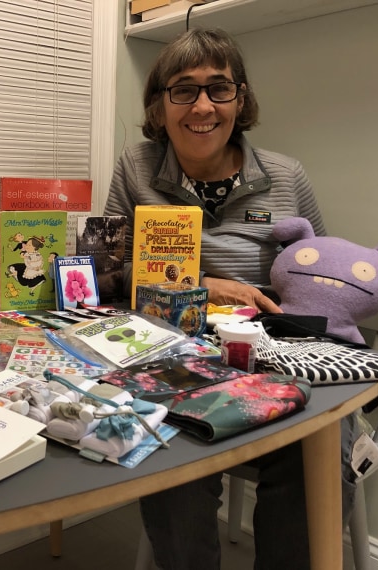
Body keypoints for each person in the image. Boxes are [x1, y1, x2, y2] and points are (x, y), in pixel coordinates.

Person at [102, 28, 356, 569]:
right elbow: (111, 271)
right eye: (183, 89)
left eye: (218, 89)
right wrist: (197, 285)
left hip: (273, 351)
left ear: (240, 99)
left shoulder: (287, 176)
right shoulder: (135, 168)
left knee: (316, 454)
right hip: (173, 354)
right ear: (159, 103)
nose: (202, 106)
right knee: (172, 460)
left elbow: (318, 271)